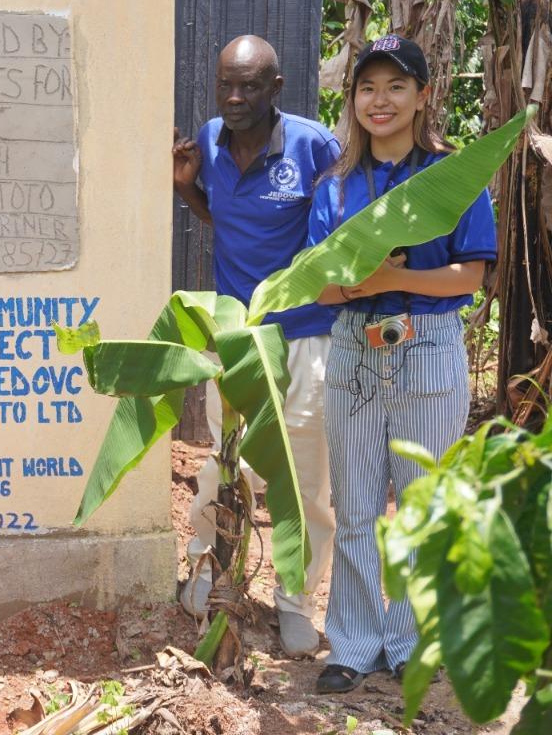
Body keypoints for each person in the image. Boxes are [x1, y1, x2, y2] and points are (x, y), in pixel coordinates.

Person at [308, 35, 495, 693]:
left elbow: (470, 274)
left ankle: (412, 640)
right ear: (352, 99)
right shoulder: (335, 186)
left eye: (394, 86)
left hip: (427, 346)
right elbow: (318, 285)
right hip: (356, 347)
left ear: (422, 95)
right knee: (356, 505)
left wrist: (395, 271)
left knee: (420, 504)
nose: (378, 100)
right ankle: (353, 645)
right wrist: (357, 282)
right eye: (367, 87)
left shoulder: (452, 177)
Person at [172, 35, 340, 658]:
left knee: (304, 477)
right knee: (222, 462)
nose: (235, 97)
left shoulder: (312, 145)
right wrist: (187, 188)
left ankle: (296, 601)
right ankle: (210, 571)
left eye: (249, 86)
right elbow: (226, 217)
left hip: (304, 334)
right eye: (225, 85)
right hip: (239, 338)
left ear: (277, 87)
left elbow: (335, 234)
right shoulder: (210, 139)